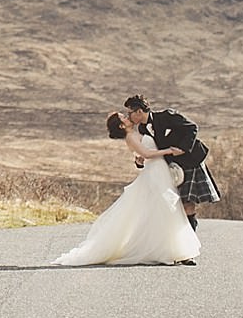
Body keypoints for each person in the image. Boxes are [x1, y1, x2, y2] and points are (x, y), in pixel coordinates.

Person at [53, 111, 201, 267]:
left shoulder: (141, 130)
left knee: (165, 210)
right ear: (121, 125)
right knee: (164, 209)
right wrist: (170, 151)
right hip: (154, 173)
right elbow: (147, 153)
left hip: (161, 171)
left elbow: (143, 154)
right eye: (123, 117)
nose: (127, 116)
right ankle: (164, 250)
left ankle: (171, 249)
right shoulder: (130, 137)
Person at [124, 94, 220, 241]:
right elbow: (151, 151)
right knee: (174, 206)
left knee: (188, 204)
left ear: (139, 112)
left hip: (190, 161)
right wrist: (140, 161)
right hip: (171, 169)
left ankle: (189, 246)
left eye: (129, 113)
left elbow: (192, 127)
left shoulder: (167, 116)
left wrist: (182, 148)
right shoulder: (143, 129)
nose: (128, 116)